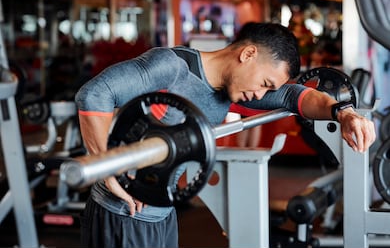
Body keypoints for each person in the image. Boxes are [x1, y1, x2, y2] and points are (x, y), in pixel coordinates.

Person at [75, 22, 376, 248]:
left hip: (162, 214)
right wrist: (109, 174)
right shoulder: (171, 67)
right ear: (248, 54)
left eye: (266, 90)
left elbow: (293, 97)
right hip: (122, 213)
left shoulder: (228, 91)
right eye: (264, 82)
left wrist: (344, 112)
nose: (260, 94)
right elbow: (94, 95)